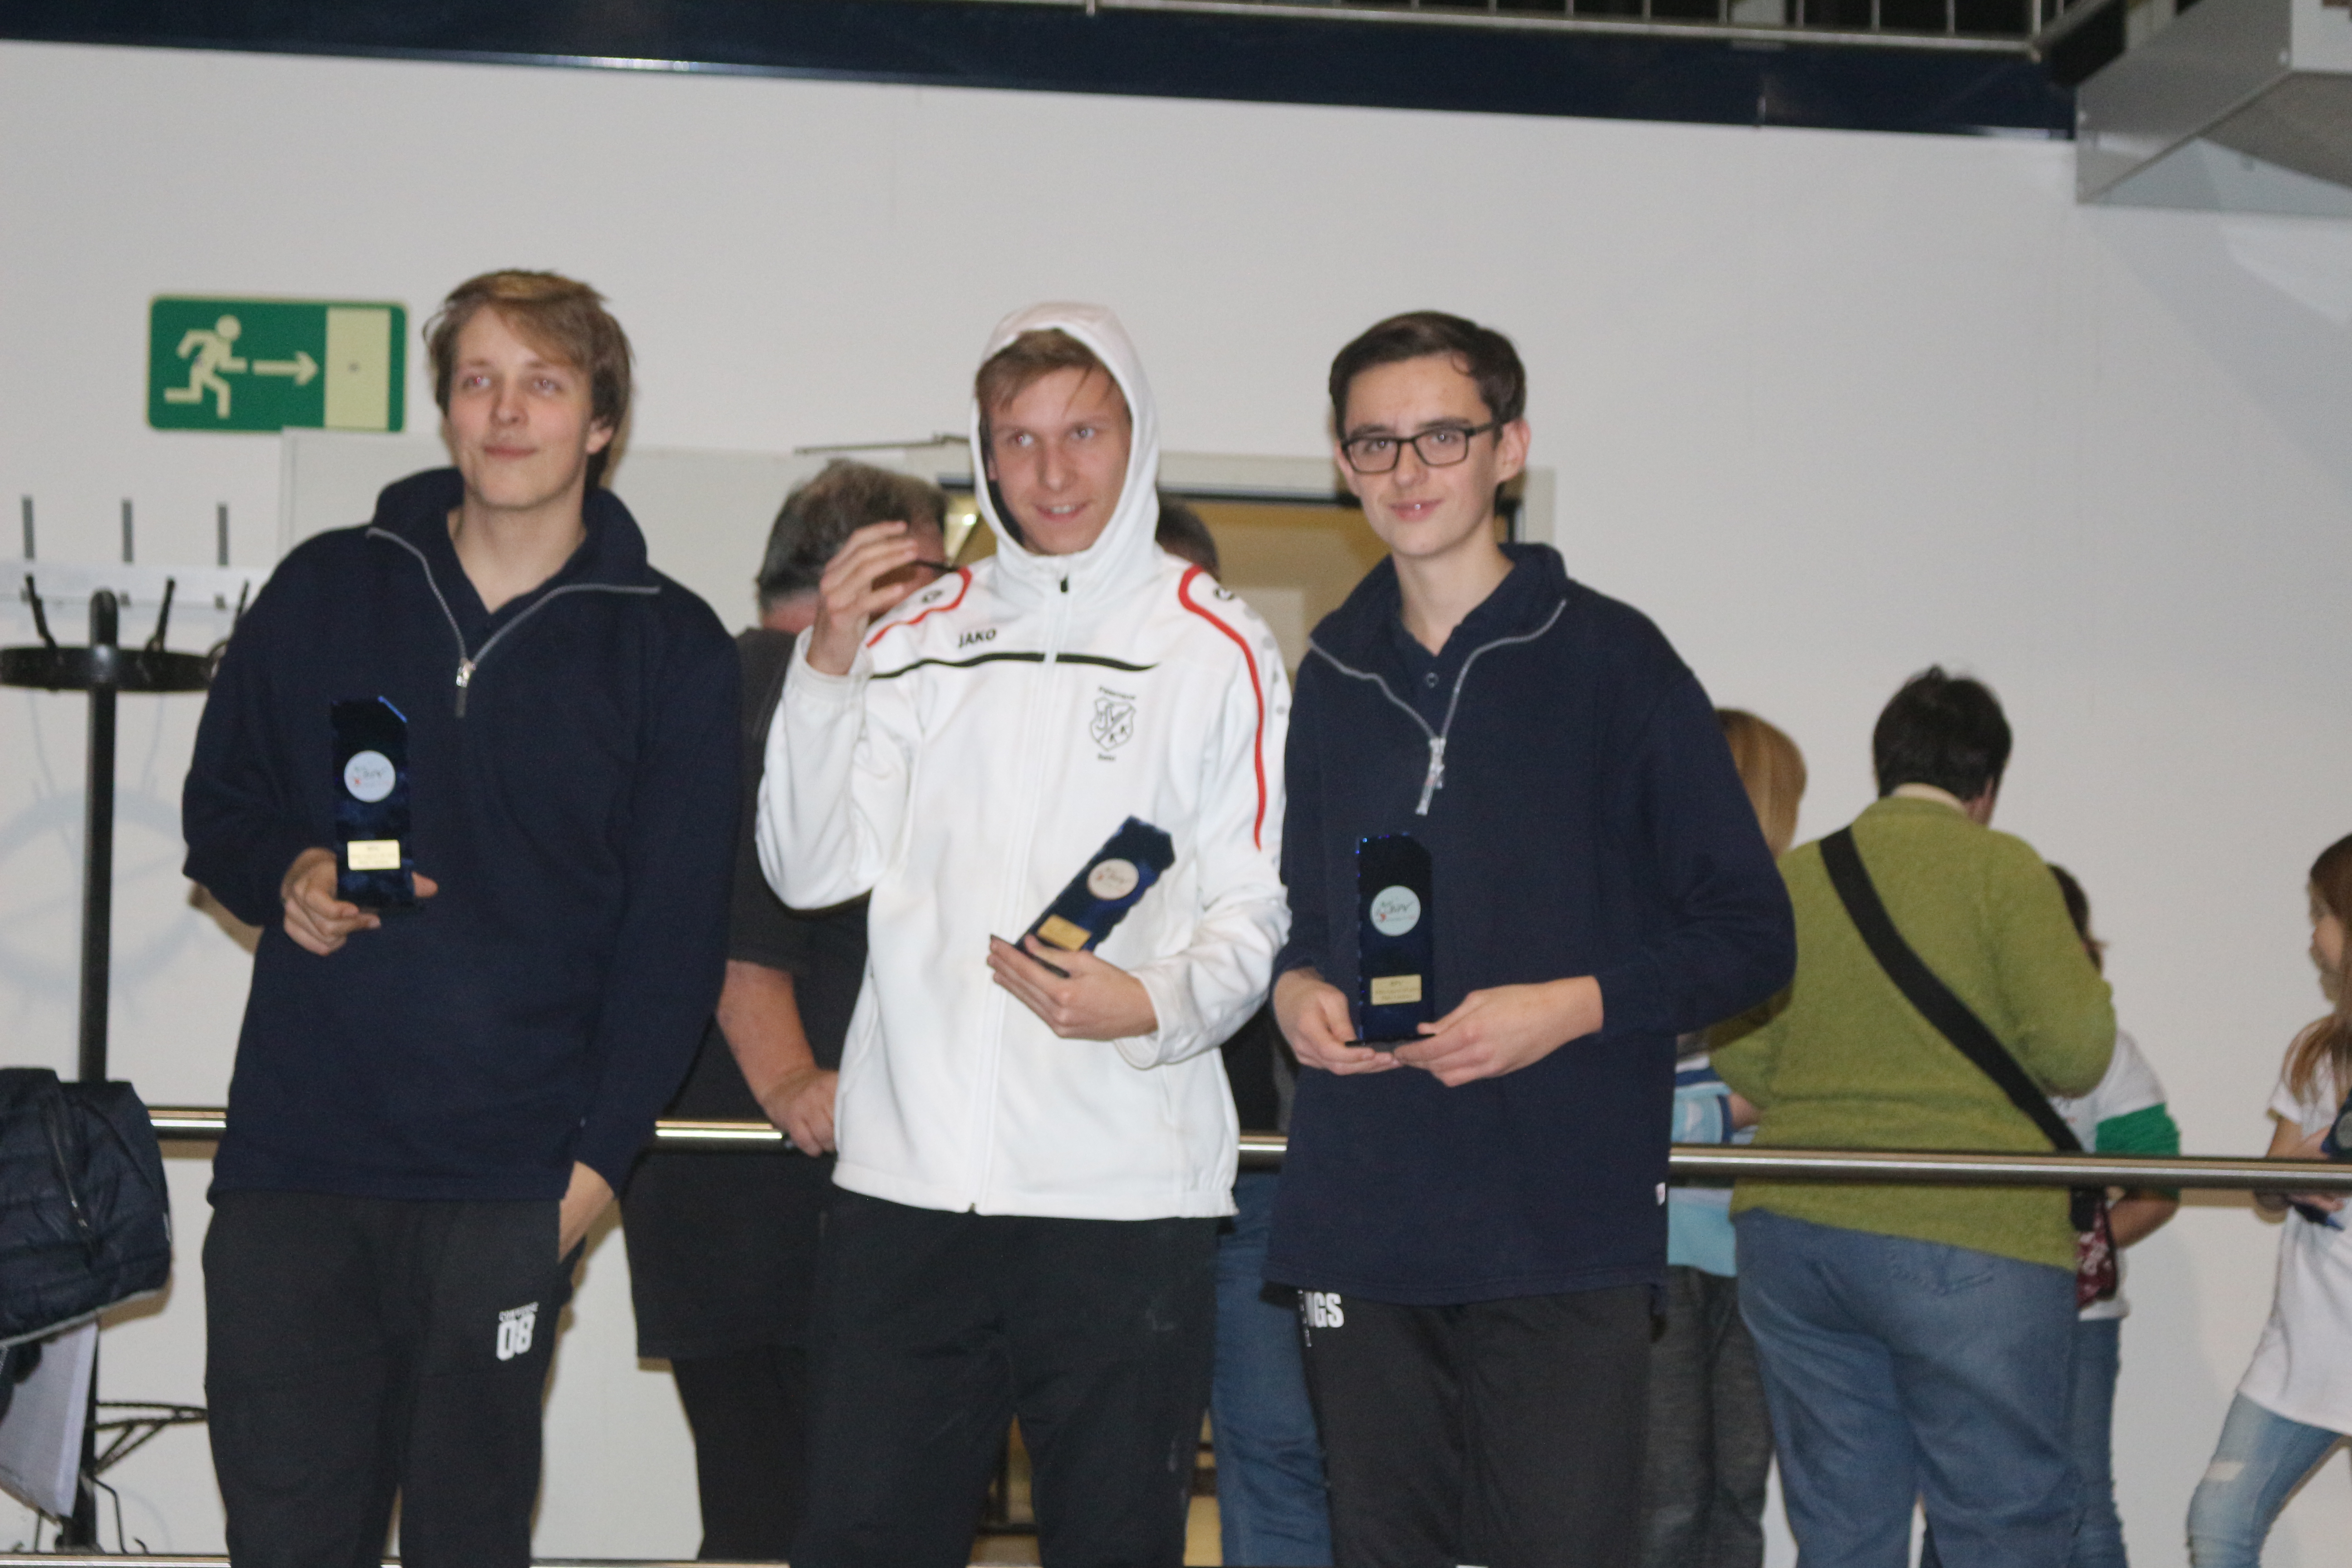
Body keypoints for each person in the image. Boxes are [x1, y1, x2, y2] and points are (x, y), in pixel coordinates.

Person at [181, 270, 738, 1568]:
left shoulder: (673, 648)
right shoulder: (328, 586)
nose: (507, 411)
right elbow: (222, 808)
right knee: (285, 1540)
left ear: (601, 423)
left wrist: (584, 1185)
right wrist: (290, 873)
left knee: (467, 1543)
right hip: (296, 1174)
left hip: (510, 1186)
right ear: (445, 410)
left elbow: (672, 950)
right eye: (479, 380)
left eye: (545, 383)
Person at [759, 305, 1290, 1568]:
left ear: (1137, 436)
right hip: (905, 1198)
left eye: (1084, 433)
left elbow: (1256, 905)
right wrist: (825, 667)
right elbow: (809, 866)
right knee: (862, 1542)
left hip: (1123, 1205)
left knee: (1113, 1544)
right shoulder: (914, 634)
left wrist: (1151, 1005)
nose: (1052, 472)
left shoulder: (1216, 645)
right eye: (1019, 439)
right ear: (985, 451)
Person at [1264, 310, 1796, 1568]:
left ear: (1508, 448)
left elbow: (1751, 936)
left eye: (1441, 436)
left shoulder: (1615, 661)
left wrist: (1569, 1007)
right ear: (1343, 463)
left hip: (1557, 1218)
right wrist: (1292, 989)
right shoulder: (1330, 675)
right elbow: (1301, 912)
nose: (1408, 469)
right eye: (1376, 442)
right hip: (1363, 1216)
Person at [1712, 666, 2116, 1568]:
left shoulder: (1801, 877)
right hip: (1969, 1228)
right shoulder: (2004, 869)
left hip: (1796, 1230)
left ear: (1884, 764)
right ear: (1987, 786)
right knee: (2002, 1520)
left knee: (1843, 1524)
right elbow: (2076, 1053)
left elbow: (1744, 1060)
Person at [618, 460, 949, 1560]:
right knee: (798, 1519)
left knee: (767, 1509)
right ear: (872, 573)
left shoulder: (716, 682)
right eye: (931, 573)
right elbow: (731, 932)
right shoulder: (779, 693)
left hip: (723, 1193)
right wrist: (793, 1082)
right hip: (776, 1185)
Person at [1156, 494, 1335, 1568]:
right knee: (1120, 1462)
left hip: (1258, 1176)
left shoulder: (1285, 764)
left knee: (1279, 1450)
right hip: (1107, 1177)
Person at [1919, 862, 2180, 1568]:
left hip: (2056, 1314)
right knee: (1965, 1500)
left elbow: (2158, 1184)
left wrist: (2064, 1252)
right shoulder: (1947, 1044)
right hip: (1978, 1307)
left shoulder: (2107, 1051)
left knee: (2068, 1502)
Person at [1641, 707, 1804, 1568]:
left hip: (1758, 1247)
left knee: (1738, 1492)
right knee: (1669, 1497)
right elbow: (1617, 1111)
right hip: (1660, 1245)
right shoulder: (1649, 920)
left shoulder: (1783, 929)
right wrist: (1734, 1112)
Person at [2185, 832, 2352, 1567]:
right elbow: (2267, 1180)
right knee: (2220, 1521)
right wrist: (2293, 1175)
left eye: (2323, 914)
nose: (2313, 935)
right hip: (2306, 1346)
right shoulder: (2316, 1050)